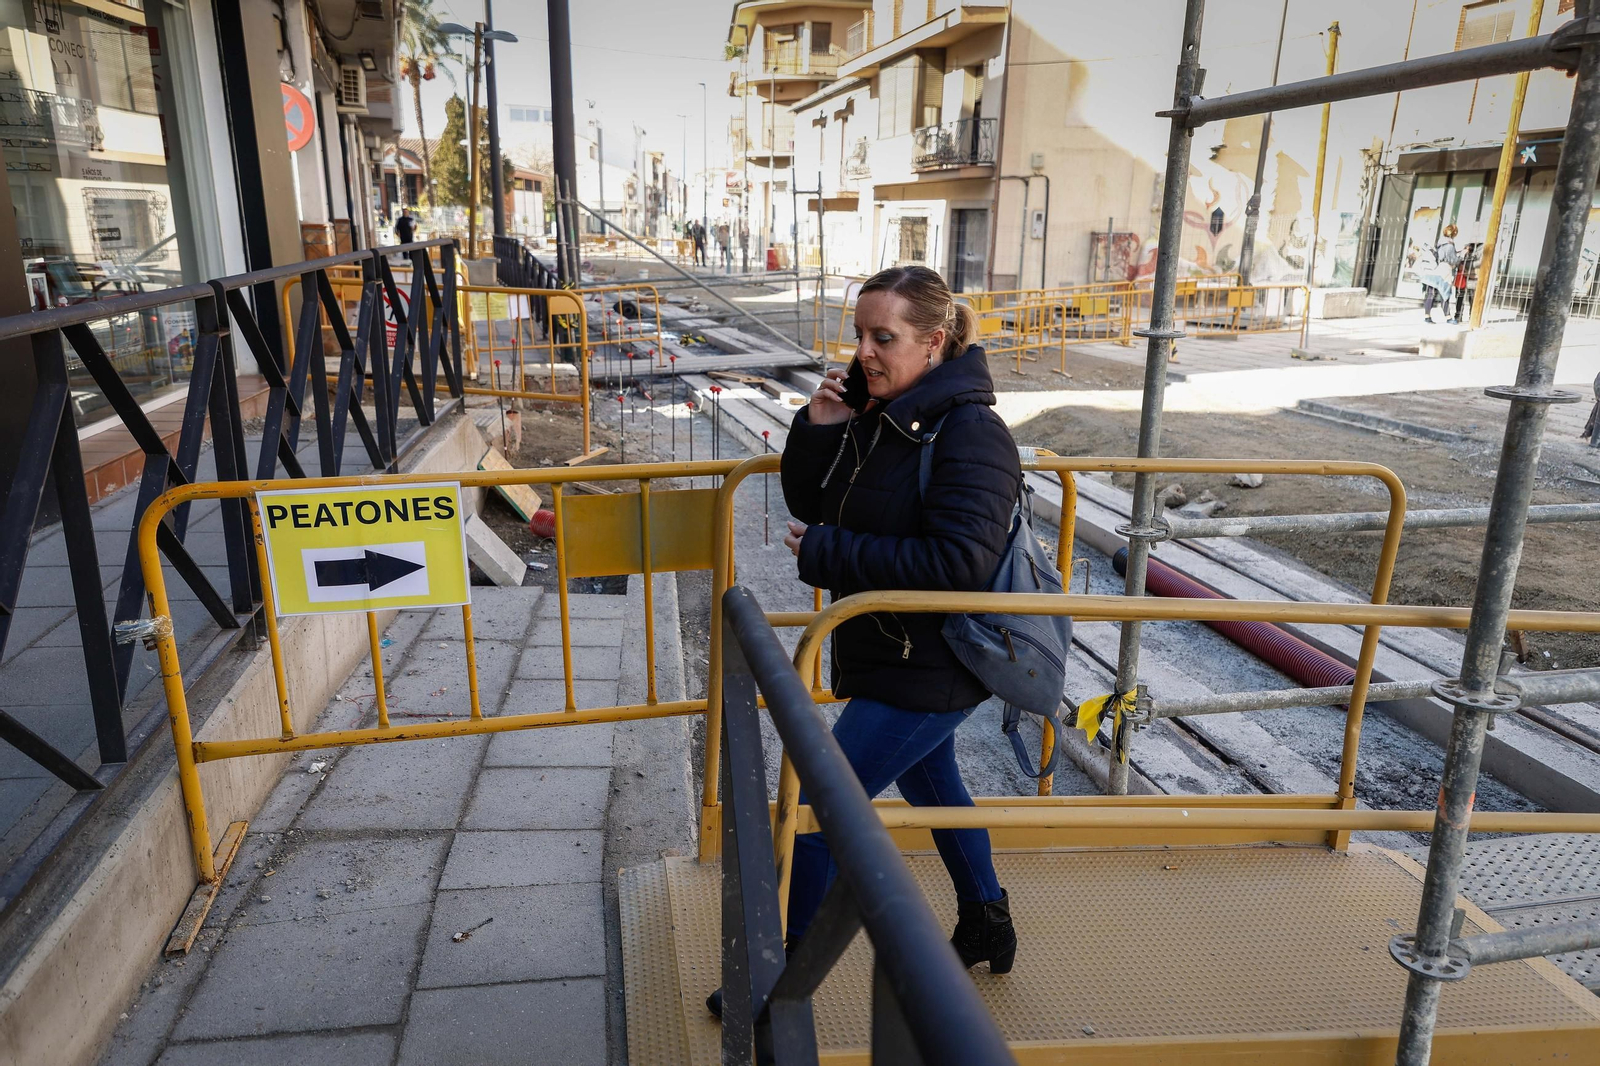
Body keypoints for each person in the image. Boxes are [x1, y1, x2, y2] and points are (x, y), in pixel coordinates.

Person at [704, 265, 1021, 1018]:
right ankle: (988, 918)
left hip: (934, 661)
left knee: (817, 814)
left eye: (885, 338)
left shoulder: (971, 433)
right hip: (890, 650)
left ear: (935, 341)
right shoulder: (888, 413)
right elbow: (814, 500)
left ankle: (779, 986)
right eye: (860, 336)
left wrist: (827, 552)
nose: (866, 352)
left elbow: (959, 565)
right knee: (932, 783)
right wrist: (818, 423)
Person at [1422, 223, 1460, 324]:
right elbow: (1453, 260)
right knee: (1445, 293)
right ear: (1454, 233)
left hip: (1435, 269)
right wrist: (1461, 256)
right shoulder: (1450, 246)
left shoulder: (1440, 243)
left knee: (1431, 293)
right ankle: (1448, 318)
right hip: (1445, 271)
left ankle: (1427, 316)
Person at [1453, 241, 1478, 325]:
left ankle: (1471, 316)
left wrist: (1468, 273)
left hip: (1470, 278)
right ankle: (1459, 315)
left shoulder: (1476, 256)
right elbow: (1458, 264)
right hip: (1464, 278)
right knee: (1461, 297)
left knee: (1471, 298)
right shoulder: (1463, 256)